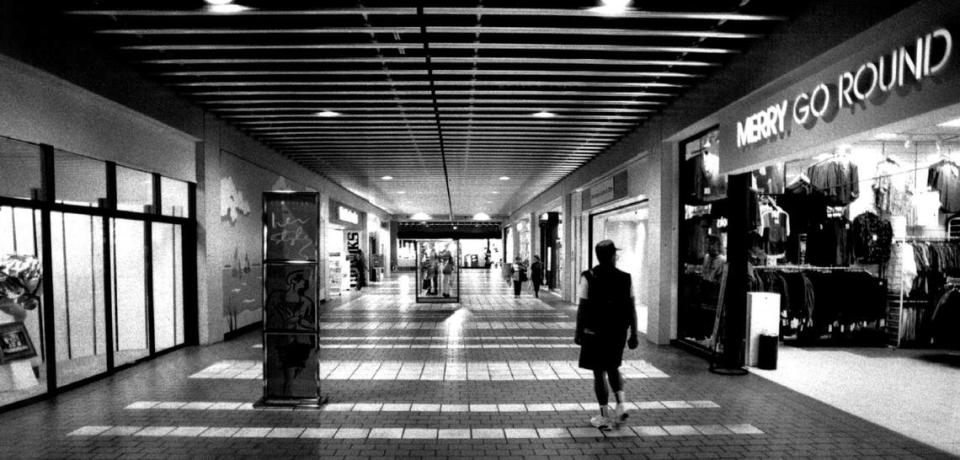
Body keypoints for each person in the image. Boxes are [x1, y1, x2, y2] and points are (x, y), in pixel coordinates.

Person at [575, 240, 639, 430]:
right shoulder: (626, 277)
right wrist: (634, 334)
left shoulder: (587, 276)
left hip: (594, 332)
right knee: (613, 367)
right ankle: (621, 405)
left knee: (598, 372)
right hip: (617, 332)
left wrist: (578, 332)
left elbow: (582, 307)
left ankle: (604, 417)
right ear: (612, 256)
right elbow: (631, 308)